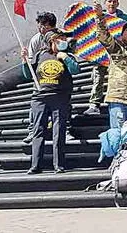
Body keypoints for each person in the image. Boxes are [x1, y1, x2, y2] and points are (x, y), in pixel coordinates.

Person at [21, 30, 80, 174]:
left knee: (59, 131)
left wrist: (65, 57)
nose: (62, 41)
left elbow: (76, 70)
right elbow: (28, 74)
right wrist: (24, 61)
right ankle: (35, 165)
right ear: (51, 41)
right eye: (58, 39)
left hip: (60, 97)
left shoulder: (68, 55)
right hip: (40, 97)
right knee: (38, 131)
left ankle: (59, 164)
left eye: (63, 38)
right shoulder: (40, 55)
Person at [85, 0, 127, 116]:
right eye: (109, 1)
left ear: (118, 3)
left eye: (114, 1)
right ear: (105, 3)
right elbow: (91, 34)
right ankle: (94, 104)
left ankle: (118, 102)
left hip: (117, 54)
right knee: (98, 79)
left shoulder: (125, 18)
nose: (112, 4)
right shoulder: (97, 17)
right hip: (100, 54)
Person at [22, 12, 58, 144]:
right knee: (35, 107)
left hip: (58, 78)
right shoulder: (36, 39)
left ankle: (64, 130)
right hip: (41, 78)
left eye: (44, 26)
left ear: (52, 27)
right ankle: (33, 131)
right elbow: (32, 63)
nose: (41, 29)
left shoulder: (60, 37)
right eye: (40, 26)